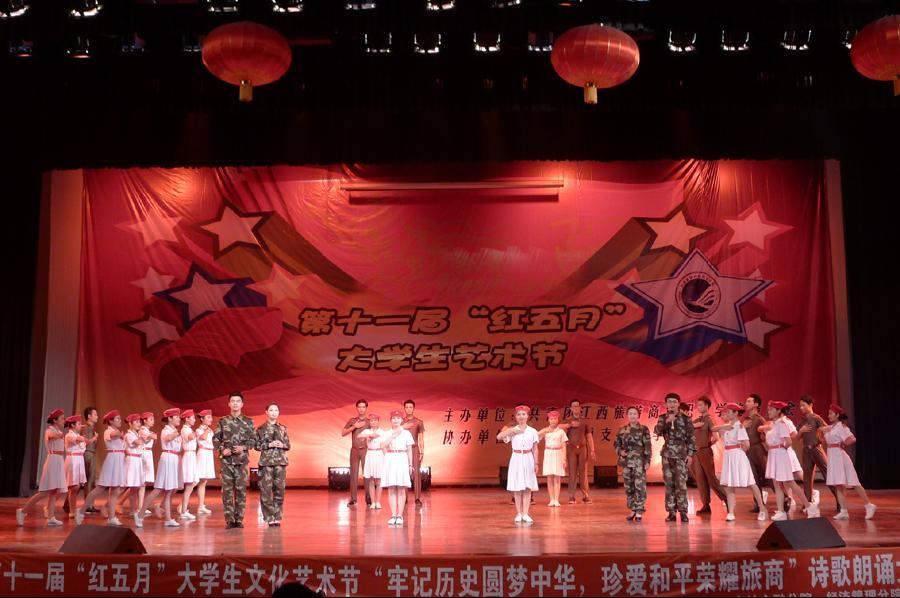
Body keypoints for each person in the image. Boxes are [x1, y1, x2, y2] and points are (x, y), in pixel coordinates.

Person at [761, 401, 819, 520]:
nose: (769, 411)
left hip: (780, 455)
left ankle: (809, 506)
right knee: (777, 484)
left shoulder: (782, 424)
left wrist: (779, 448)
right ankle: (781, 511)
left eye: (772, 409)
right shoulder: (774, 424)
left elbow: (788, 441)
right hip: (774, 454)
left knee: (790, 482)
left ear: (779, 411)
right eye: (769, 409)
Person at [819, 404, 876, 520]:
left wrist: (844, 443)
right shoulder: (831, 427)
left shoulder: (842, 427)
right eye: (829, 413)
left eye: (831, 414)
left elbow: (852, 438)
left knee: (854, 482)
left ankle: (869, 505)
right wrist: (822, 434)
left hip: (840, 457)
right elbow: (824, 438)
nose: (829, 416)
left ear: (837, 415)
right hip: (833, 456)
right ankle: (843, 511)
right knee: (838, 484)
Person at [712, 403, 767, 522]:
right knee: (729, 486)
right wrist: (726, 427)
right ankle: (731, 512)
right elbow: (713, 429)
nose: (726, 414)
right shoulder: (727, 426)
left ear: (736, 413)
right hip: (728, 456)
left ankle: (762, 509)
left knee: (751, 483)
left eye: (729, 411)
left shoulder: (740, 427)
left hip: (738, 455)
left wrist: (738, 451)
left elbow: (747, 445)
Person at [17, 409, 68, 527]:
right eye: (61, 418)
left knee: (54, 491)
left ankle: (51, 516)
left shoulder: (59, 431)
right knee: (44, 492)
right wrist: (58, 435)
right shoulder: (50, 430)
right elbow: (52, 436)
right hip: (52, 461)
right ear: (54, 420)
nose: (64, 420)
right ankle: (23, 511)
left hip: (58, 461)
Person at [213, 392, 256, 529]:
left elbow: (254, 441)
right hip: (227, 462)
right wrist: (222, 449)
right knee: (227, 491)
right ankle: (229, 520)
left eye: (238, 401)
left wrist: (243, 447)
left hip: (242, 462)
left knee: (241, 491)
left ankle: (239, 519)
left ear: (242, 404)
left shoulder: (248, 421)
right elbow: (215, 439)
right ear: (229, 404)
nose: (235, 403)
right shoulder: (223, 421)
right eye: (233, 401)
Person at [654, 393, 696, 522]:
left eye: (674, 402)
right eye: (669, 402)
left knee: (681, 484)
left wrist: (690, 454)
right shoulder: (662, 418)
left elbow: (691, 438)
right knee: (669, 484)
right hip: (667, 455)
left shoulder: (686, 419)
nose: (672, 404)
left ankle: (683, 512)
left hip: (681, 455)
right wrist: (667, 421)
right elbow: (657, 432)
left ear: (678, 404)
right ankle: (671, 512)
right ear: (666, 404)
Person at [79, 410, 127, 526]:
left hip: (119, 460)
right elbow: (114, 435)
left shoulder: (117, 432)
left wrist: (122, 436)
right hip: (112, 460)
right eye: (117, 418)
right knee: (100, 488)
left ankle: (111, 517)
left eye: (120, 418)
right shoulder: (108, 431)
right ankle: (80, 511)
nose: (120, 420)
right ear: (110, 421)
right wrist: (120, 435)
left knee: (115, 490)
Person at [139, 408, 183, 527]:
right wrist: (176, 434)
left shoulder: (174, 431)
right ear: (169, 418)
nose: (179, 419)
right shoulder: (166, 430)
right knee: (158, 489)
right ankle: (140, 514)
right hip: (167, 458)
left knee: (169, 491)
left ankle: (168, 519)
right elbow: (168, 438)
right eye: (176, 417)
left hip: (174, 459)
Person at [498, 405, 539, 524]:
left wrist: (536, 463)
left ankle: (525, 513)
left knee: (527, 487)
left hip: (528, 458)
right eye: (519, 414)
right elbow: (499, 437)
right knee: (517, 487)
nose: (521, 417)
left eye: (523, 414)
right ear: (516, 417)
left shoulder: (532, 431)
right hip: (516, 458)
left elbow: (535, 448)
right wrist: (510, 431)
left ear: (527, 416)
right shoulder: (513, 430)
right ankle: (518, 513)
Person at [797, 395, 837, 508]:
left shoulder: (816, 418)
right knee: (807, 478)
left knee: (828, 474)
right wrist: (801, 431)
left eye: (803, 405)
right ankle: (808, 503)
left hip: (816, 448)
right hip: (806, 450)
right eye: (800, 406)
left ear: (810, 405)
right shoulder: (803, 420)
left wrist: (821, 432)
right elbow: (797, 437)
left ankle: (840, 501)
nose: (801, 408)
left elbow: (828, 428)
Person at [614, 406, 651, 522]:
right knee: (629, 487)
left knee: (640, 487)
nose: (632, 416)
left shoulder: (643, 429)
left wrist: (648, 461)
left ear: (638, 416)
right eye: (630, 413)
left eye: (634, 413)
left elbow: (648, 446)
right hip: (626, 462)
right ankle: (632, 509)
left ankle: (639, 511)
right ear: (627, 415)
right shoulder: (622, 429)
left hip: (639, 462)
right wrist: (620, 451)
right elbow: (616, 444)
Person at [255, 403, 291, 526]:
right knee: (266, 491)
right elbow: (256, 446)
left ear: (278, 412)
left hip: (281, 463)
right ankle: (269, 517)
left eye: (276, 410)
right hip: (266, 463)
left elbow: (288, 445)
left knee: (279, 490)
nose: (274, 412)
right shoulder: (261, 429)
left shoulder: (283, 428)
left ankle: (277, 516)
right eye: (271, 410)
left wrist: (282, 445)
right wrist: (269, 445)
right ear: (266, 412)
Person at [692, 396, 727, 514]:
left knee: (711, 478)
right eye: (698, 405)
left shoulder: (709, 419)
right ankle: (705, 505)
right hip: (696, 452)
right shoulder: (697, 420)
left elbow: (716, 436)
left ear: (707, 406)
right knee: (700, 478)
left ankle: (726, 499)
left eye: (701, 405)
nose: (699, 407)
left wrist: (707, 444)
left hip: (705, 451)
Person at [380, 410, 415, 526]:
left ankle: (399, 515)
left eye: (398, 418)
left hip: (402, 458)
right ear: (390, 420)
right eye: (394, 418)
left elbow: (409, 450)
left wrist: (410, 465)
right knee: (391, 488)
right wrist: (392, 436)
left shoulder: (406, 433)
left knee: (400, 488)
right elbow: (382, 446)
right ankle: (393, 515)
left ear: (401, 420)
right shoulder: (387, 433)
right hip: (390, 458)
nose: (396, 420)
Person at [560, 399, 595, 504]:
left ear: (580, 408)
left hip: (583, 449)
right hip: (571, 449)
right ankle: (571, 496)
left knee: (583, 473)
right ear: (571, 408)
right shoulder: (568, 420)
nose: (575, 408)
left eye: (577, 406)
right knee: (572, 473)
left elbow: (589, 436)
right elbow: (557, 427)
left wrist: (592, 450)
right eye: (573, 406)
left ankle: (586, 495)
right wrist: (569, 425)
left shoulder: (585, 421)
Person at [742, 394, 771, 512]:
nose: (746, 403)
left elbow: (766, 434)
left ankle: (784, 499)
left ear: (756, 404)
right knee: (753, 478)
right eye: (746, 401)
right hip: (748, 450)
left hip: (758, 449)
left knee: (768, 475)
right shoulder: (745, 420)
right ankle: (758, 504)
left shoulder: (759, 419)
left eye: (749, 401)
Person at [341, 399, 369, 507]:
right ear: (357, 408)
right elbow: (343, 433)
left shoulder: (369, 421)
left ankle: (369, 499)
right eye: (359, 407)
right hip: (355, 450)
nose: (361, 409)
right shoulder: (352, 420)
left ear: (366, 408)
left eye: (363, 407)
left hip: (366, 450)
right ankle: (353, 499)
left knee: (367, 474)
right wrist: (354, 427)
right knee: (353, 474)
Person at [538, 410, 567, 507]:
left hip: (558, 453)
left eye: (555, 419)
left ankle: (556, 499)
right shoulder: (545, 430)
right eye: (551, 419)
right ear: (549, 420)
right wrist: (543, 431)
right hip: (548, 453)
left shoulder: (561, 431)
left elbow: (564, 446)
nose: (553, 420)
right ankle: (551, 499)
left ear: (557, 420)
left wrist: (564, 459)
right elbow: (535, 437)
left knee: (557, 477)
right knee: (549, 477)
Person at [122, 413, 147, 527]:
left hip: (137, 460)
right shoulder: (129, 435)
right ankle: (110, 505)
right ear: (130, 423)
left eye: (139, 421)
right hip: (132, 460)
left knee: (135, 488)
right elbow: (140, 442)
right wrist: (143, 436)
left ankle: (133, 510)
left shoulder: (136, 434)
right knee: (127, 486)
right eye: (136, 422)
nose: (139, 423)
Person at [401, 399, 426, 507]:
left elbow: (421, 438)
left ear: (414, 408)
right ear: (404, 408)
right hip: (403, 449)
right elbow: (395, 433)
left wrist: (422, 452)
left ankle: (417, 498)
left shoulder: (419, 422)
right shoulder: (401, 422)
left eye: (411, 407)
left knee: (416, 473)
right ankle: (405, 498)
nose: (409, 409)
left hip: (415, 449)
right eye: (407, 407)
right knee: (404, 473)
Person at [359, 414, 386, 510]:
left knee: (378, 480)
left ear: (378, 421)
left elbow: (385, 445)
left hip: (379, 454)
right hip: (370, 454)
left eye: (375, 420)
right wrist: (370, 435)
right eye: (371, 420)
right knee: (370, 480)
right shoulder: (367, 431)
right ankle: (373, 502)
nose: (373, 422)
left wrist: (387, 457)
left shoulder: (382, 432)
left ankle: (378, 502)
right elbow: (359, 436)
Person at [63, 415, 87, 520]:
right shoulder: (69, 435)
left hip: (79, 460)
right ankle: (72, 510)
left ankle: (72, 511)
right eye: (78, 424)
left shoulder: (76, 434)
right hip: (72, 460)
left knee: (75, 488)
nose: (80, 425)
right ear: (72, 425)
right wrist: (84, 430)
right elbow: (81, 439)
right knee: (72, 487)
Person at [179, 410, 199, 520]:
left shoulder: (189, 429)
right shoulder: (184, 429)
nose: (194, 420)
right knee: (189, 484)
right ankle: (183, 511)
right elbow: (190, 437)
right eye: (192, 418)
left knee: (194, 482)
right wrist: (197, 432)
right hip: (188, 456)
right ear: (186, 419)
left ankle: (183, 508)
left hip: (192, 456)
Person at [195, 409, 216, 515]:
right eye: (208, 417)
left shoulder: (210, 430)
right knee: (195, 481)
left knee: (204, 481)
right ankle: (182, 505)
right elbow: (202, 437)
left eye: (211, 417)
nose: (210, 419)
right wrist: (207, 430)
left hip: (209, 454)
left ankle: (201, 506)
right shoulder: (199, 430)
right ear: (202, 419)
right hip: (202, 454)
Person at [139, 412, 158, 516]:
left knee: (144, 483)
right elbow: (153, 437)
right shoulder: (142, 430)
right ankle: (139, 507)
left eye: (153, 419)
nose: (152, 421)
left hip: (148, 453)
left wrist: (153, 436)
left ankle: (141, 506)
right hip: (143, 453)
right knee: (141, 482)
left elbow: (154, 437)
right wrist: (153, 435)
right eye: (150, 419)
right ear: (144, 421)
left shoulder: (148, 431)